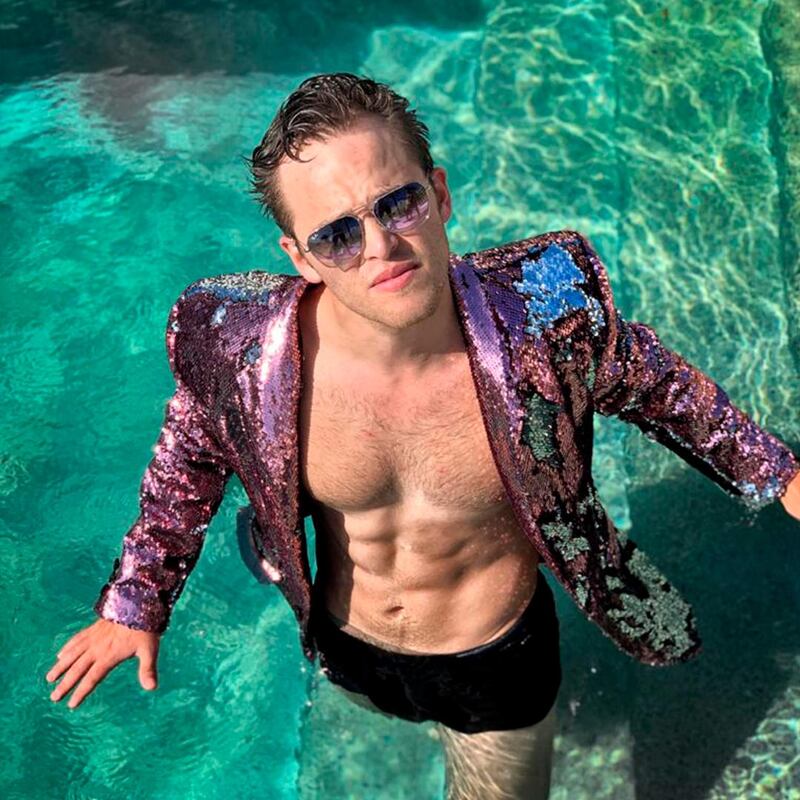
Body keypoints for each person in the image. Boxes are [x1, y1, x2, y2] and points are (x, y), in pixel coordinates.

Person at [45, 72, 800, 799]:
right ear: (300, 257)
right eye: (337, 235)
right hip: (343, 641)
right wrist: (137, 598)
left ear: (439, 194)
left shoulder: (542, 326)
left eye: (398, 203)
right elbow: (191, 449)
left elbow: (658, 385)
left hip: (494, 658)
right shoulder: (243, 350)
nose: (379, 246)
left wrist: (778, 472)